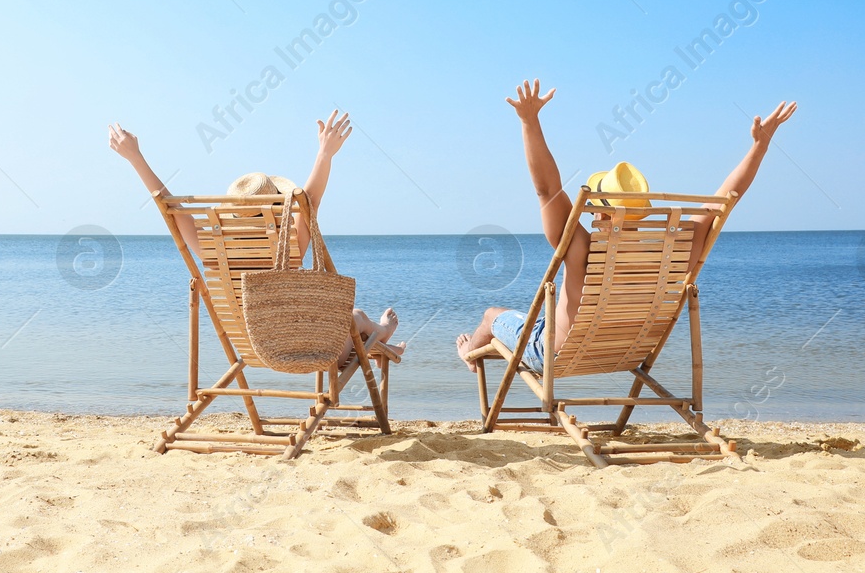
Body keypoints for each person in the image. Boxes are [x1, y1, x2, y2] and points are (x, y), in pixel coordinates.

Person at [457, 79, 797, 371]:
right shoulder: (674, 252)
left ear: (597, 212)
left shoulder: (581, 249)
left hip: (558, 354)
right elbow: (723, 202)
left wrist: (529, 121)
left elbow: (546, 188)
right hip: (623, 354)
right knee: (534, 323)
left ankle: (469, 353)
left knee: (493, 314)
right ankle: (483, 349)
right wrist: (759, 146)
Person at [109, 109, 404, 361]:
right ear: (277, 208)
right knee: (354, 316)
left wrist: (135, 158)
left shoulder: (212, 250)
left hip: (252, 349)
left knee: (349, 319)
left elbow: (172, 208)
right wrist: (325, 153)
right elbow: (309, 201)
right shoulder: (289, 249)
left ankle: (382, 342)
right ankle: (380, 333)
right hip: (310, 353)